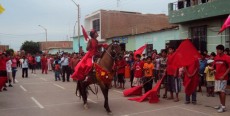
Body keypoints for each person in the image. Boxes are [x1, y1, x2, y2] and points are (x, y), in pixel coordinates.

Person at [213, 45, 229, 113]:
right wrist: (212, 69)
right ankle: (221, 104)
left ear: (222, 50)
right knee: (219, 91)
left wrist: (224, 75)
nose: (217, 51)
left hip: (223, 78)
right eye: (216, 50)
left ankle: (223, 107)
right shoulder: (216, 57)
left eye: (218, 50)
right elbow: (214, 66)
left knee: (222, 92)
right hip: (217, 77)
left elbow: (229, 68)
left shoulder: (227, 57)